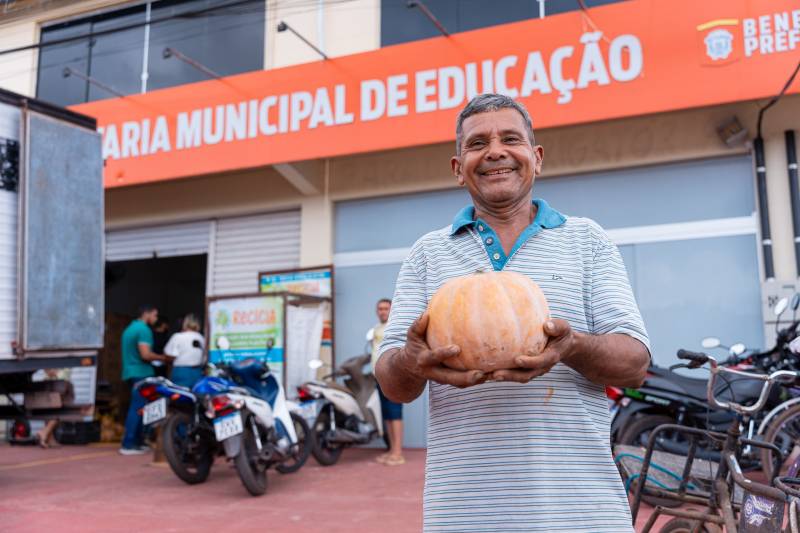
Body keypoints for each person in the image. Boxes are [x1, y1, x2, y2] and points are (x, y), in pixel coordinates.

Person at [375, 94, 650, 532]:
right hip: (463, 515)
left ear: (536, 158)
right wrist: (412, 360)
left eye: (510, 138)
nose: (495, 151)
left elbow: (635, 365)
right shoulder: (427, 254)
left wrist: (570, 346)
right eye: (477, 143)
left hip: (582, 513)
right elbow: (392, 383)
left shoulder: (587, 240)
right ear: (457, 167)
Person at [119, 304, 170, 455]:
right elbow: (146, 355)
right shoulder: (144, 330)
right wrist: (164, 358)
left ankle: (137, 442)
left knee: (141, 407)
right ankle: (128, 444)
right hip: (141, 373)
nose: (156, 319)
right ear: (147, 314)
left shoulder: (130, 329)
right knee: (138, 408)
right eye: (155, 315)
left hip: (131, 372)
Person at [369, 298, 404, 466]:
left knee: (395, 414)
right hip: (379, 378)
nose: (383, 311)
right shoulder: (377, 328)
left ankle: (398, 453)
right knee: (388, 416)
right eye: (380, 309)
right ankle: (391, 450)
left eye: (386, 308)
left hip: (393, 377)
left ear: (392, 310)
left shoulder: (396, 327)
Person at [164, 314, 205, 388]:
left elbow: (170, 356)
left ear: (185, 323)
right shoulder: (201, 338)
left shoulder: (178, 337)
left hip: (181, 371)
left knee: (179, 395)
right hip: (198, 372)